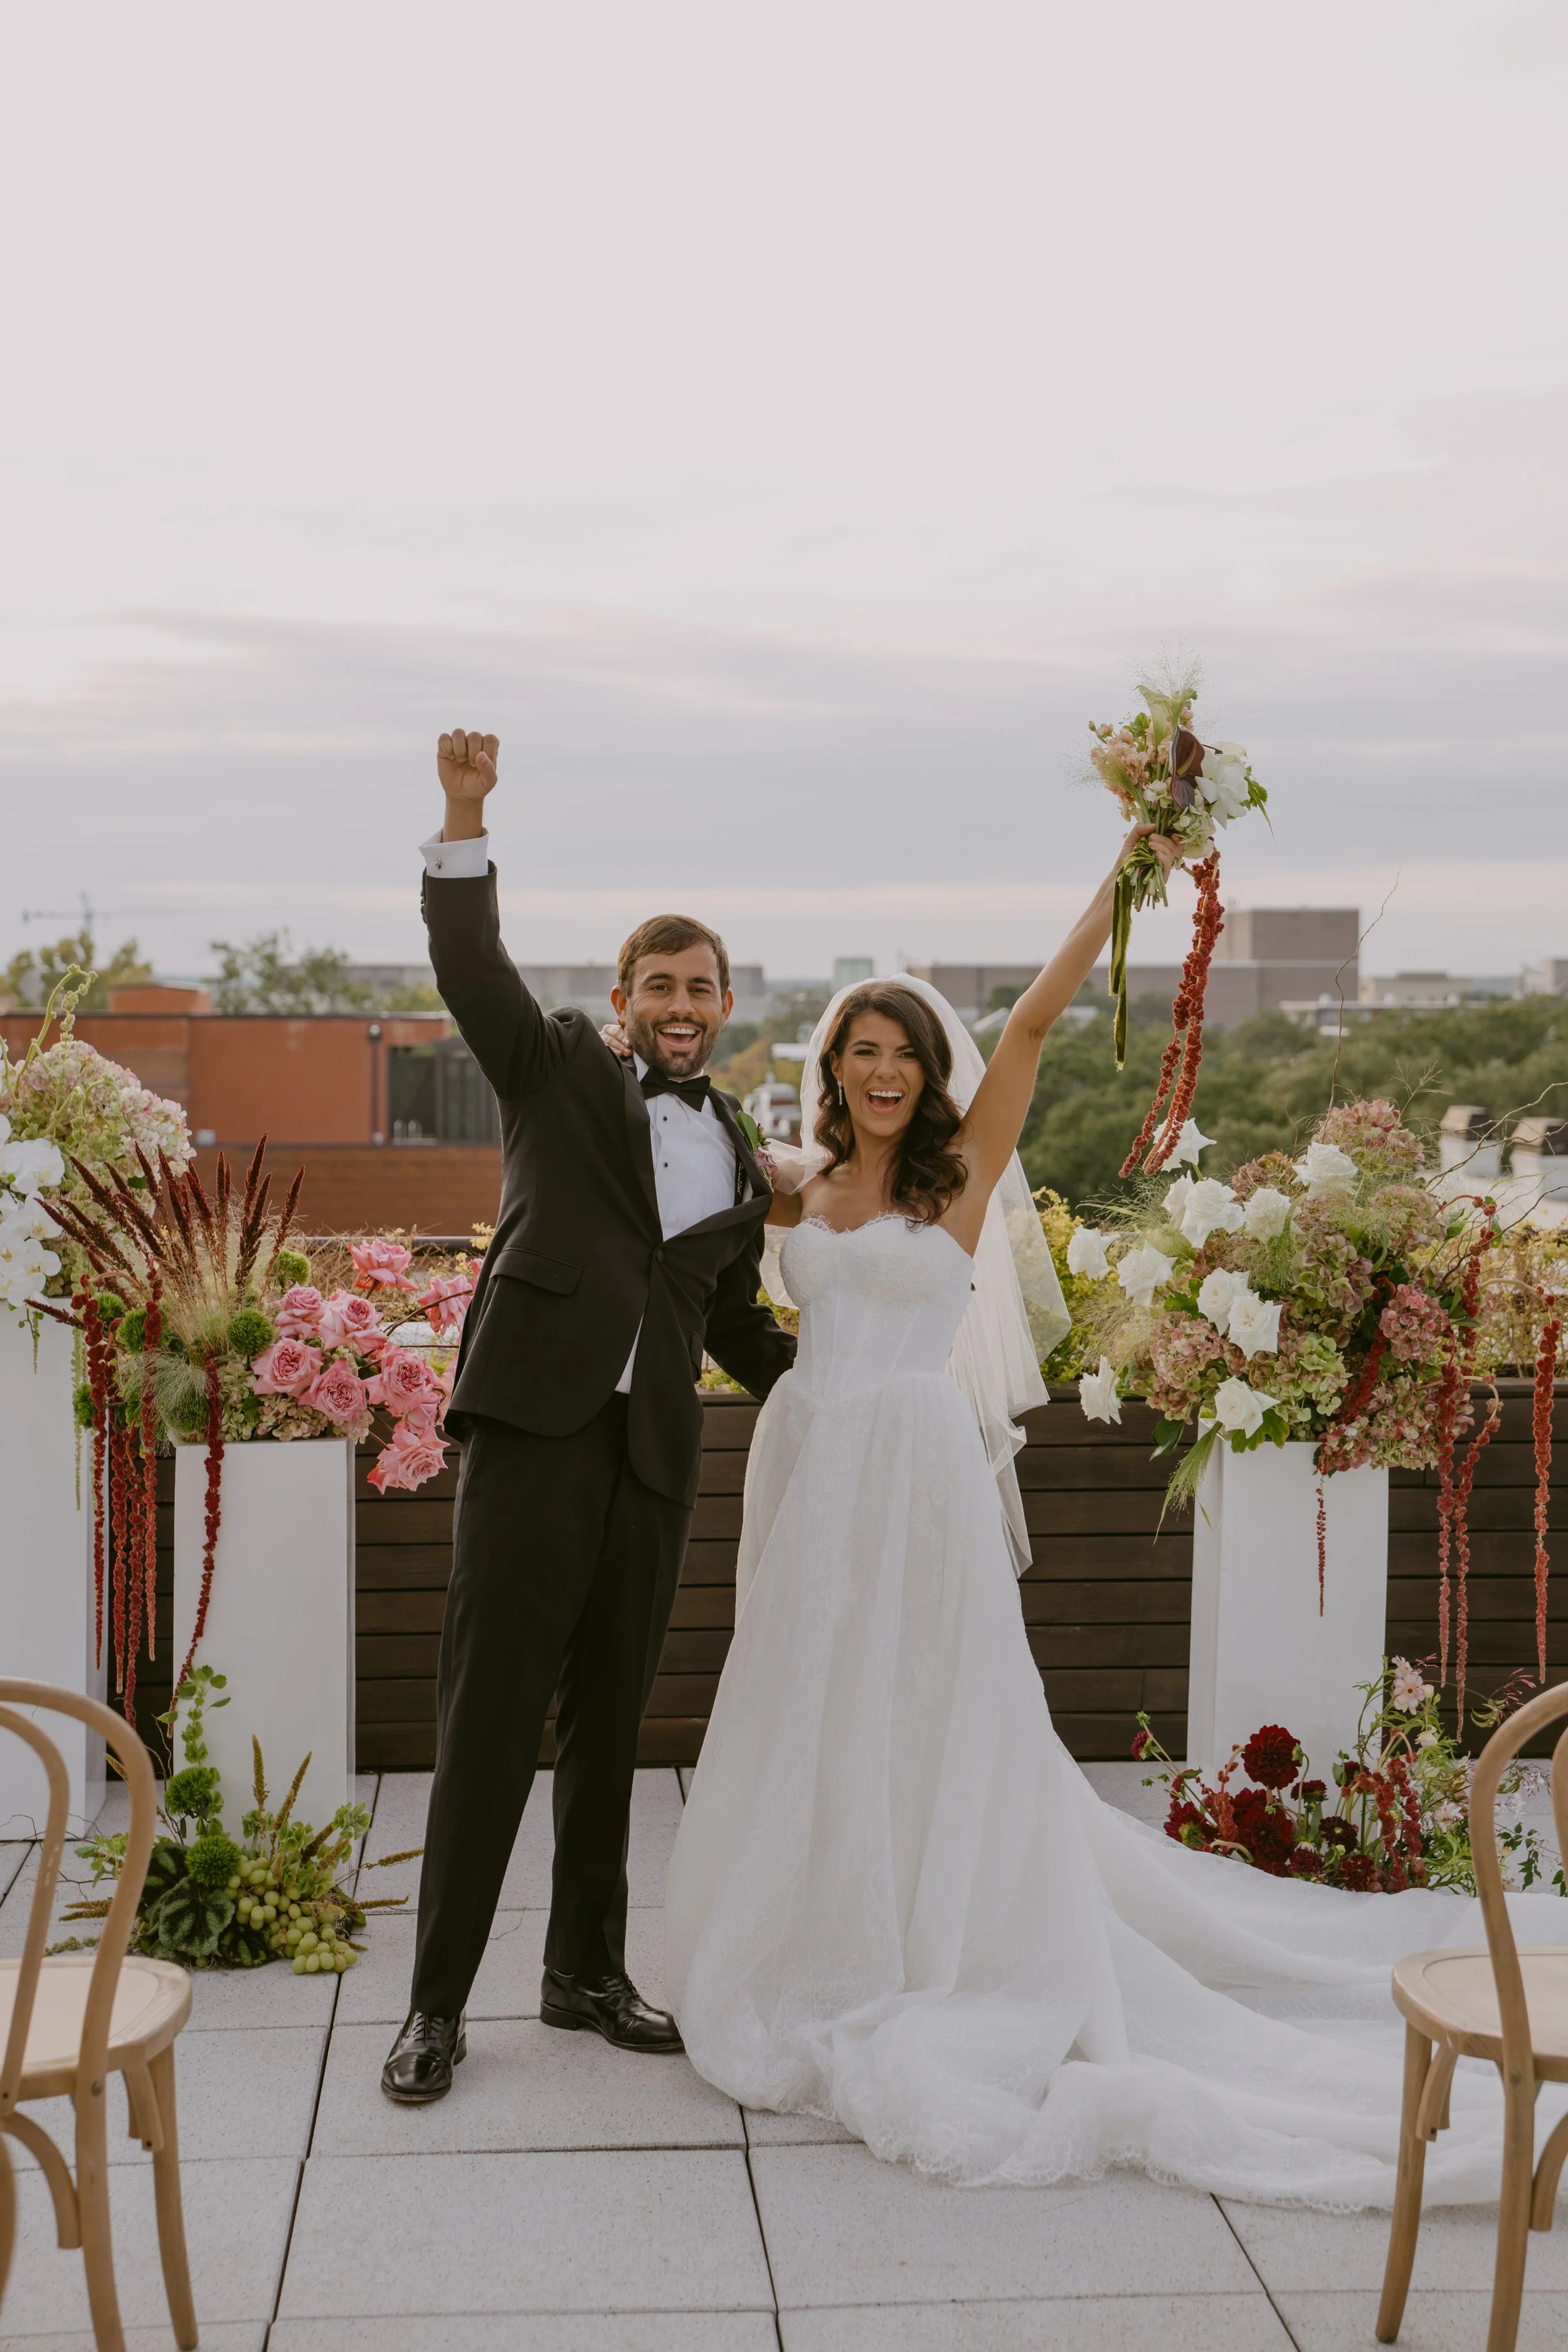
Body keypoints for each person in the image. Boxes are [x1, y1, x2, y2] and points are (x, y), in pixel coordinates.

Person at [664, 827, 1568, 2204]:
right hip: (811, 1473)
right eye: (861, 1050)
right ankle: (810, 1930)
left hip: (913, 1473)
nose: (884, 1070)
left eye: (903, 1050)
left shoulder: (953, 1179)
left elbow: (1033, 1015)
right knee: (810, 1698)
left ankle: (943, 1940)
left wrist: (1127, 872)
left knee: (932, 1702)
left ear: (929, 1068)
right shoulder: (792, 1182)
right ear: (831, 1067)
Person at [382, 728, 795, 2105]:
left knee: (612, 1729)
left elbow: (728, 1316)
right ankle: (437, 2007)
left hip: (651, 1458)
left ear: (724, 1007)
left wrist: (839, 1385)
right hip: (532, 1434)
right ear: (620, 1000)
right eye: (659, 985)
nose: (681, 1004)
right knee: (491, 1718)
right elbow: (468, 967)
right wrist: (462, 814)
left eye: (702, 988)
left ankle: (583, 1972)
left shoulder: (735, 1140)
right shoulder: (552, 1066)